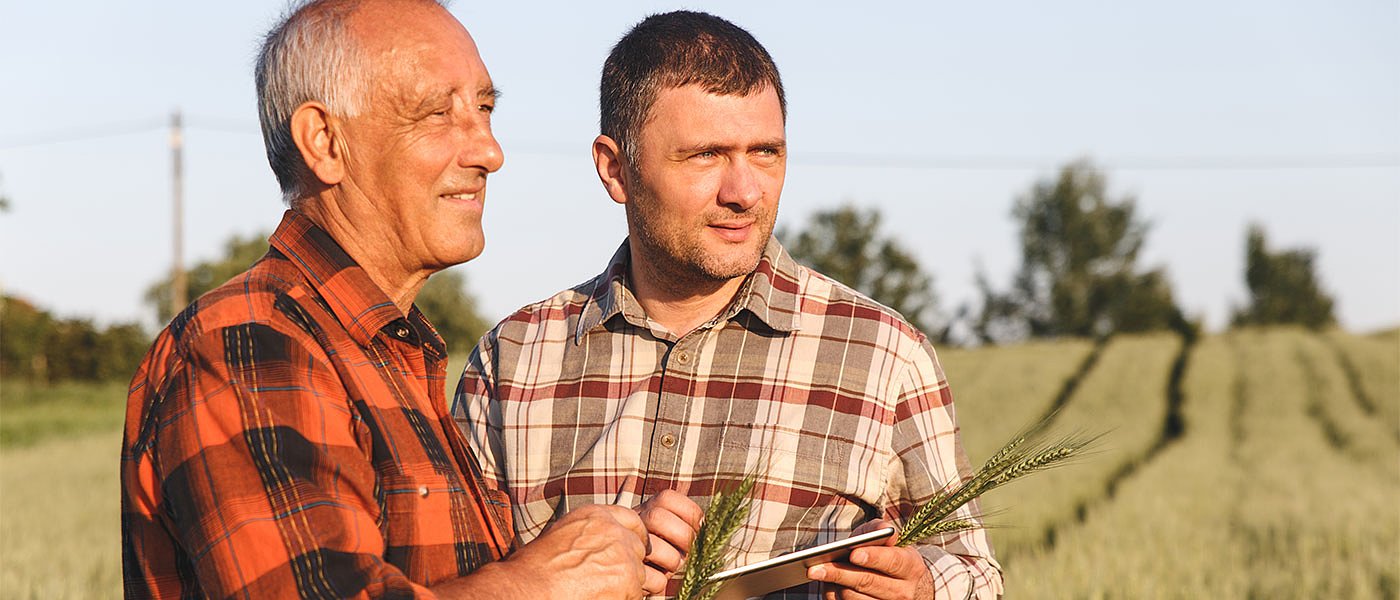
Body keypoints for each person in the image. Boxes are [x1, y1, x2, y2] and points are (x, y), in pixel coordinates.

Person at [119, 1, 692, 597]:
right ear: (325, 142)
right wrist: (541, 581)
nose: (489, 152)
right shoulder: (246, 344)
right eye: (438, 114)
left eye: (485, 109)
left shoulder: (391, 353)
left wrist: (613, 559)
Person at [454, 10, 1003, 600]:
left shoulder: (883, 353)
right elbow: (447, 581)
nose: (744, 192)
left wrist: (923, 586)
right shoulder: (512, 361)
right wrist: (562, 563)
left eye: (765, 152)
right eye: (705, 155)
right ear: (616, 170)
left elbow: (975, 574)